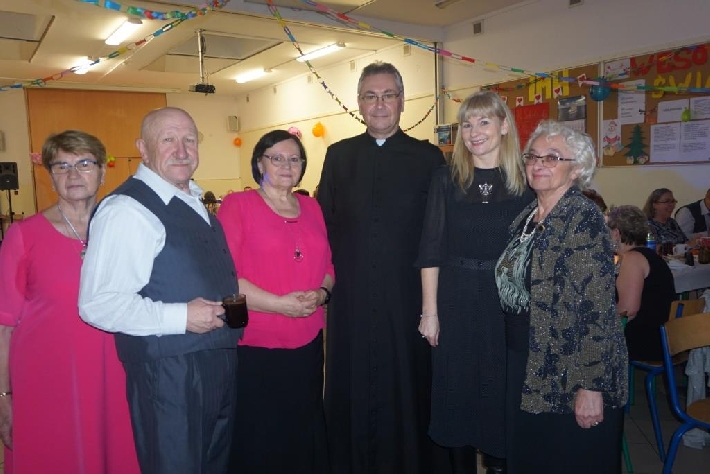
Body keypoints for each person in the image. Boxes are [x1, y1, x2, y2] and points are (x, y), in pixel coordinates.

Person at [79, 107, 241, 474]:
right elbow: (97, 304)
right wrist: (181, 316)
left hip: (215, 363)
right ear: (143, 148)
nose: (182, 150)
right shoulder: (127, 210)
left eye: (189, 139)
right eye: (168, 139)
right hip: (170, 374)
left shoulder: (193, 201)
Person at [317, 61, 446, 474]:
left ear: (402, 101)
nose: (379, 104)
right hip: (351, 300)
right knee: (351, 381)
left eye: (388, 95)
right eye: (370, 96)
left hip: (407, 299)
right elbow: (322, 227)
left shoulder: (428, 158)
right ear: (358, 103)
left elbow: (439, 233)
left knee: (406, 383)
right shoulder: (338, 156)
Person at [0, 130, 139, 474]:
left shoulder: (126, 232)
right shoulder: (23, 236)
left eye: (84, 164)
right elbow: (3, 327)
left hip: (114, 375)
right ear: (50, 176)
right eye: (61, 166)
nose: (73, 174)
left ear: (102, 172)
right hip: (47, 380)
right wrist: (3, 396)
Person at [495, 120, 628, 473]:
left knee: (567, 459)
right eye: (533, 156)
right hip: (527, 359)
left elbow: (598, 309)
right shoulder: (527, 215)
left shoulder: (582, 218)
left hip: (569, 371)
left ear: (577, 168)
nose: (538, 164)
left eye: (553, 157)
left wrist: (591, 387)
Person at [416, 91, 533, 474]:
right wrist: (429, 313)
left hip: (507, 304)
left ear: (504, 126)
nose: (473, 131)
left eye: (483, 121)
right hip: (456, 299)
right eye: (466, 124)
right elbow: (431, 249)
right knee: (457, 391)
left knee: (501, 392)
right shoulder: (446, 179)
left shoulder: (526, 182)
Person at [217, 130, 333, 474]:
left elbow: (329, 266)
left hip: (309, 342)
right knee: (262, 433)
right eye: (276, 158)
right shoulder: (238, 205)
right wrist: (280, 305)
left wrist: (322, 293)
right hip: (258, 345)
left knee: (303, 427)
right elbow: (226, 277)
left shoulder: (312, 207)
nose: (286, 165)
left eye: (294, 159)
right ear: (259, 163)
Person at [607, 205, 676, 361]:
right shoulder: (649, 255)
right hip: (664, 336)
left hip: (648, 341)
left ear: (616, 233)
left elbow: (628, 311)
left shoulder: (632, 259)